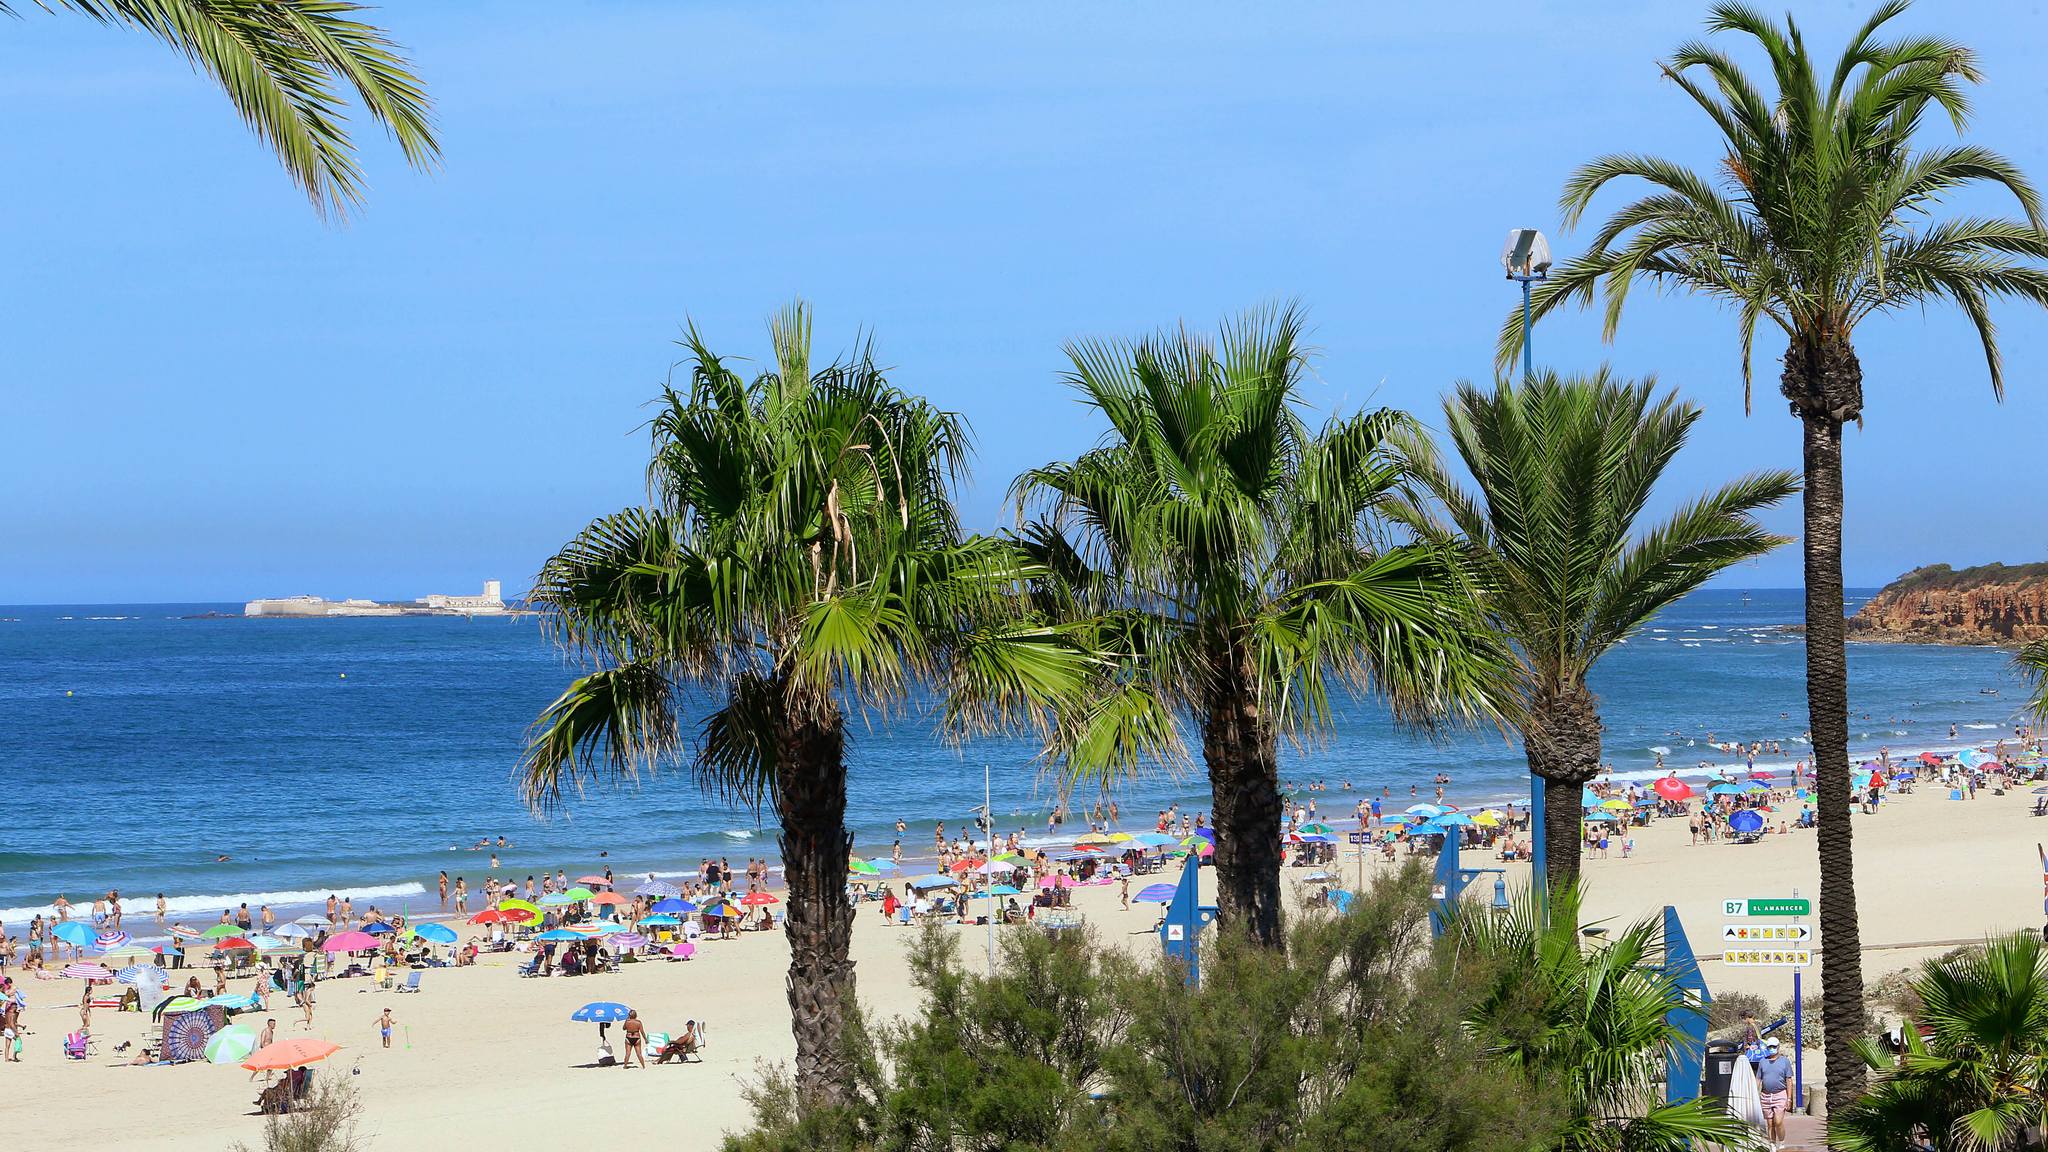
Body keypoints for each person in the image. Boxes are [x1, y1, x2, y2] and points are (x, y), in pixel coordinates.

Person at [1756, 1037, 1795, 1144]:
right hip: (1766, 1095)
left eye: (1774, 1046)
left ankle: (1781, 1141)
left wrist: (1789, 1098)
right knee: (1770, 1124)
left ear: (1778, 1047)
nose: (1772, 1048)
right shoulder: (1763, 1062)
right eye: (1770, 1047)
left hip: (1780, 1094)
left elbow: (1789, 1080)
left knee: (1778, 1122)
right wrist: (1755, 1093)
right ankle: (1772, 1145)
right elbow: (1758, 1078)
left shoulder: (1784, 1061)